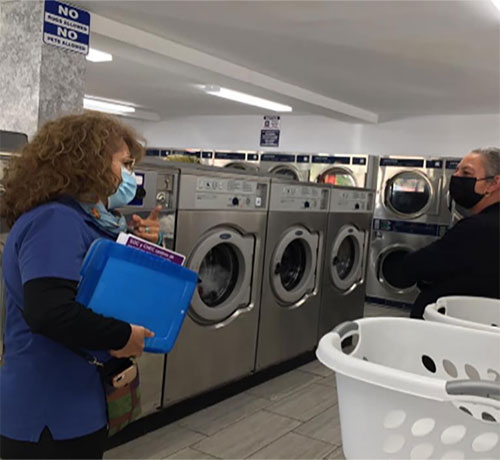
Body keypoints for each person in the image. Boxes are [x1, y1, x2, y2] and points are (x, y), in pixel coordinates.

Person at [0, 112, 161, 459]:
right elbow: (50, 312)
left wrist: (140, 243)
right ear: (91, 162)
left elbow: (93, 283)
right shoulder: (54, 220)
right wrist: (122, 336)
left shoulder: (81, 218)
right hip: (48, 410)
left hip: (75, 399)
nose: (131, 176)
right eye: (125, 163)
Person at [403, 147, 500, 318]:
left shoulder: (478, 228)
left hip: (455, 328)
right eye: (456, 170)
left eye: (466, 173)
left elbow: (418, 266)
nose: (456, 177)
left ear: (493, 184)